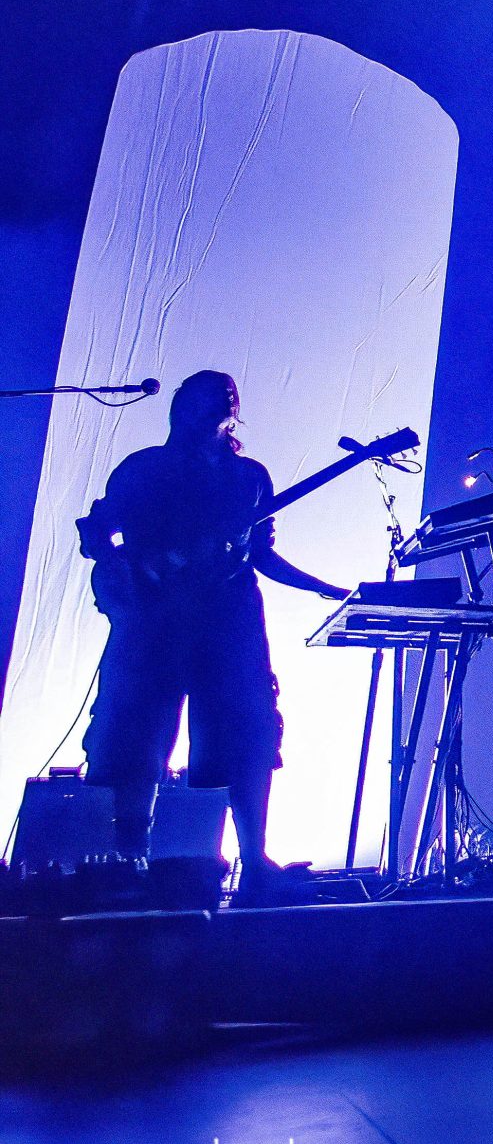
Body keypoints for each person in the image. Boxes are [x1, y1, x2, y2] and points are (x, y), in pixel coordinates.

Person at [75, 371, 350, 895]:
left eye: (226, 398)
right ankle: (126, 860)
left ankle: (252, 859)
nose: (217, 407)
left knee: (243, 734)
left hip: (229, 623)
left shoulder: (249, 477)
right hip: (155, 626)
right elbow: (96, 533)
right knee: (137, 732)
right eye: (205, 400)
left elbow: (261, 553)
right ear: (182, 409)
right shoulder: (144, 470)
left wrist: (321, 587)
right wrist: (134, 568)